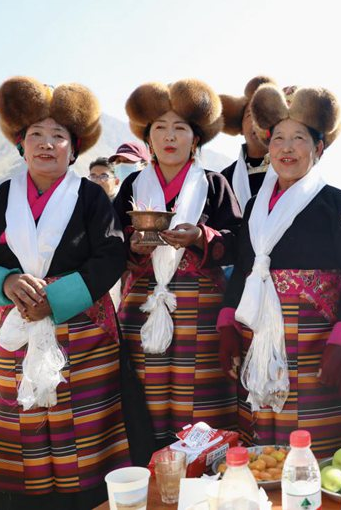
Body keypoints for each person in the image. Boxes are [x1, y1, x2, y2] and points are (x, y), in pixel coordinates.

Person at [0, 77, 130, 509]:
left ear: (75, 146)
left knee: (84, 434)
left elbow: (110, 255)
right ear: (20, 144)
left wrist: (58, 297)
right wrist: (7, 282)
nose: (46, 144)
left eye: (58, 136)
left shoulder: (90, 198)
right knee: (23, 426)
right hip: (19, 329)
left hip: (84, 336)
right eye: (36, 135)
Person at [217, 84, 341, 458]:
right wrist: (227, 326)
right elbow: (244, 269)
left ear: (318, 149)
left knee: (313, 450)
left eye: (298, 139)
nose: (286, 148)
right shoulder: (255, 205)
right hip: (259, 339)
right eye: (278, 139)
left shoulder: (334, 203)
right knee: (264, 445)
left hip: (316, 346)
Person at [115, 79, 242, 446]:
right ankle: (150, 467)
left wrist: (202, 236)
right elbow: (108, 245)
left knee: (199, 393)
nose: (170, 137)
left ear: (196, 139)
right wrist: (131, 246)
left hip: (200, 309)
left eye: (180, 128)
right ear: (148, 138)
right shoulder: (132, 187)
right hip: (142, 302)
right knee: (146, 388)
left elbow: (237, 243)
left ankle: (202, 469)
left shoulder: (214, 184)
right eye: (160, 128)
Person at [218, 76, 276, 213]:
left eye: (264, 114)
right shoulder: (224, 179)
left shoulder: (290, 172)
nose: (257, 122)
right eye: (250, 114)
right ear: (241, 128)